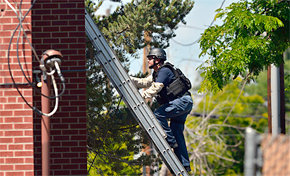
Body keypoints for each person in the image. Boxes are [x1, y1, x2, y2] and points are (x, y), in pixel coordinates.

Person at [130, 48, 193, 172]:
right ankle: (184, 165)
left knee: (159, 114)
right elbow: (143, 82)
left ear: (157, 59)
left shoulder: (164, 71)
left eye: (150, 58)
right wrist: (128, 79)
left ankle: (171, 142)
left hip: (182, 102)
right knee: (177, 131)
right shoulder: (156, 73)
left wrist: (141, 96)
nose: (148, 60)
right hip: (183, 103)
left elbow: (156, 88)